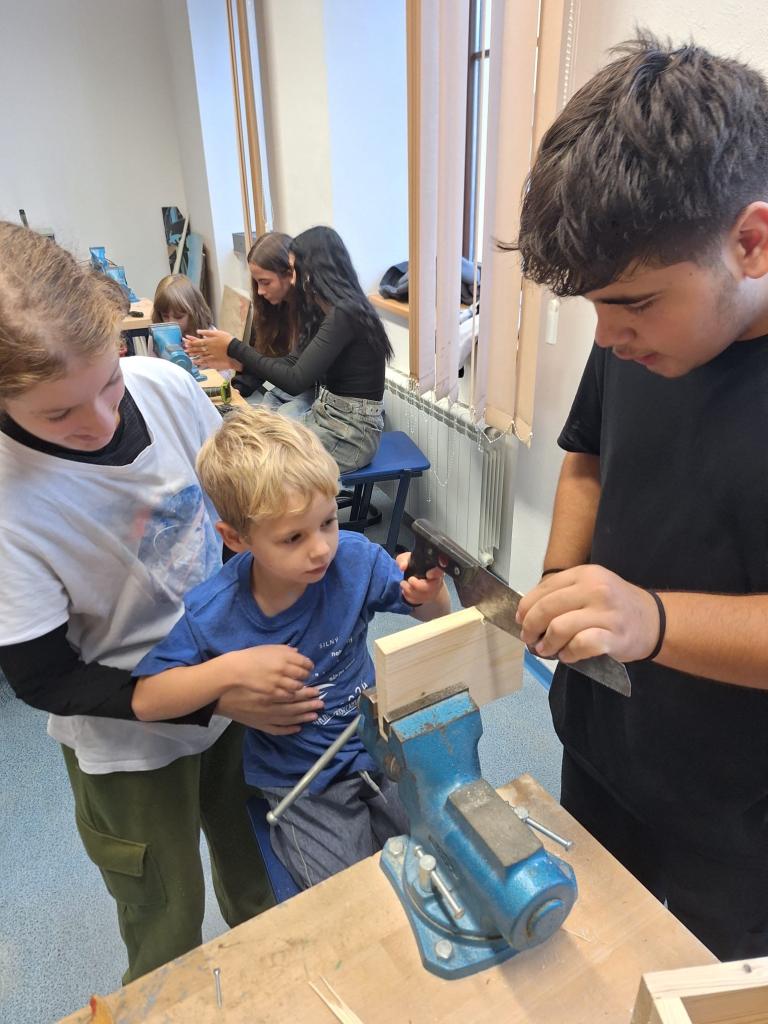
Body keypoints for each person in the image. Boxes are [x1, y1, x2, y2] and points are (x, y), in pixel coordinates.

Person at [0, 224, 324, 982]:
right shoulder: (12, 504)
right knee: (165, 926)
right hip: (130, 746)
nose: (101, 420)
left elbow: (240, 521)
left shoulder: (168, 388)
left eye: (108, 382)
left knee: (264, 878)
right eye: (59, 414)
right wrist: (214, 686)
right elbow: (48, 679)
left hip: (237, 699)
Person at [513, 34, 768, 959]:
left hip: (738, 811)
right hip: (604, 739)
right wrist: (560, 576)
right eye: (593, 307)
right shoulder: (636, 328)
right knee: (589, 957)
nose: (608, 336)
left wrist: (651, 619)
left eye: (631, 304)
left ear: (751, 241)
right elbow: (587, 453)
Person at [132, 407, 450, 889]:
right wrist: (231, 671)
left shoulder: (353, 559)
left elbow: (438, 618)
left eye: (328, 521)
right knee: (348, 895)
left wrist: (429, 594)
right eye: (293, 537)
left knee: (441, 856)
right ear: (236, 538)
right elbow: (147, 699)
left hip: (379, 748)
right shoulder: (215, 611)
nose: (321, 548)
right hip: (304, 780)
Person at [186, 226, 392, 475]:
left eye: (295, 270)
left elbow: (296, 380)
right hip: (329, 418)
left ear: (314, 270)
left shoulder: (345, 313)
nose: (293, 279)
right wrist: (238, 359)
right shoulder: (331, 310)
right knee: (245, 439)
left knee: (257, 462)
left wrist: (234, 347)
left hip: (350, 435)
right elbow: (292, 363)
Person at [236, 231, 314, 419]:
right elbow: (261, 358)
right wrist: (238, 389)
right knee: (256, 419)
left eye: (265, 282)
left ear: (290, 274)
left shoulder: (314, 311)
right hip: (286, 389)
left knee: (280, 423)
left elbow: (298, 375)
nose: (260, 291)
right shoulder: (272, 308)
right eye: (257, 283)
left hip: (316, 392)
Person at [151, 273, 213, 338]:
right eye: (165, 316)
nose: (171, 324)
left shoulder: (210, 336)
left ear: (193, 314)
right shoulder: (156, 335)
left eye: (178, 317)